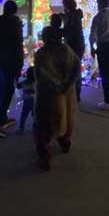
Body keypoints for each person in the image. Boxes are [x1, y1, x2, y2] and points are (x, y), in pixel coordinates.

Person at [34, 26, 80, 171]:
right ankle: (65, 142)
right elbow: (76, 68)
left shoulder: (41, 54)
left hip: (48, 95)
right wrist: (66, 85)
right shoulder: (66, 51)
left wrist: (55, 85)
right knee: (65, 118)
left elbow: (39, 75)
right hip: (66, 94)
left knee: (44, 126)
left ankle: (45, 157)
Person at [0, 0, 24, 137]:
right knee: (8, 90)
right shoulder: (15, 23)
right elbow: (17, 44)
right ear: (14, 11)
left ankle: (2, 118)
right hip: (8, 62)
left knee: (2, 89)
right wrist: (19, 65)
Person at [61, 0, 85, 102]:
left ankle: (74, 93)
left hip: (73, 45)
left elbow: (69, 30)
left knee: (72, 69)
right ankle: (76, 93)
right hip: (78, 44)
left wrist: (58, 31)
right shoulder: (75, 15)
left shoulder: (72, 16)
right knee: (76, 68)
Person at [16, 67, 35, 134]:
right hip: (35, 101)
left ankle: (21, 129)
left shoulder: (25, 82)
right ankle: (35, 128)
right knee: (35, 115)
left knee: (24, 115)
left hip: (27, 101)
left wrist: (16, 78)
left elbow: (18, 86)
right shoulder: (37, 82)